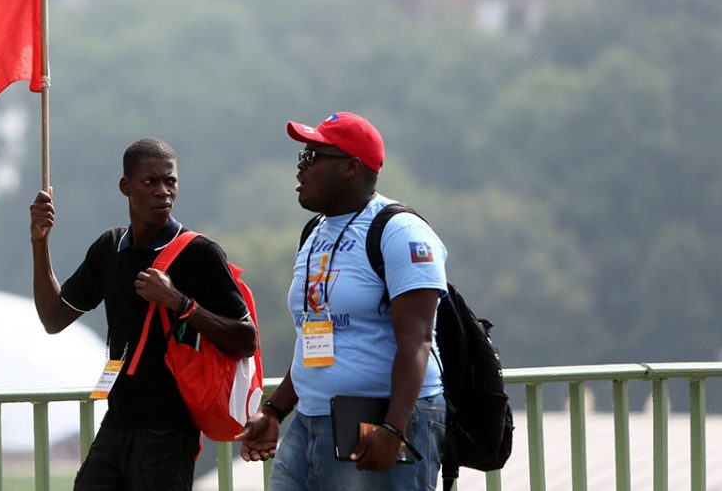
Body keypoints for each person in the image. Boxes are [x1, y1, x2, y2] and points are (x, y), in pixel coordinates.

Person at [29, 137, 257, 491]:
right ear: (126, 186)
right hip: (116, 424)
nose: (163, 191)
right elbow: (53, 318)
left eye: (171, 181)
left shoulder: (200, 252)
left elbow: (246, 339)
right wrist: (39, 243)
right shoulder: (109, 247)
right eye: (150, 182)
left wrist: (181, 303)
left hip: (169, 432)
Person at [238, 112, 448, 490]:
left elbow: (417, 340)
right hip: (311, 419)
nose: (300, 169)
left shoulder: (400, 231)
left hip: (377, 421)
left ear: (352, 167)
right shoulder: (315, 231)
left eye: (311, 157)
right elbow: (314, 336)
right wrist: (274, 410)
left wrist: (392, 429)